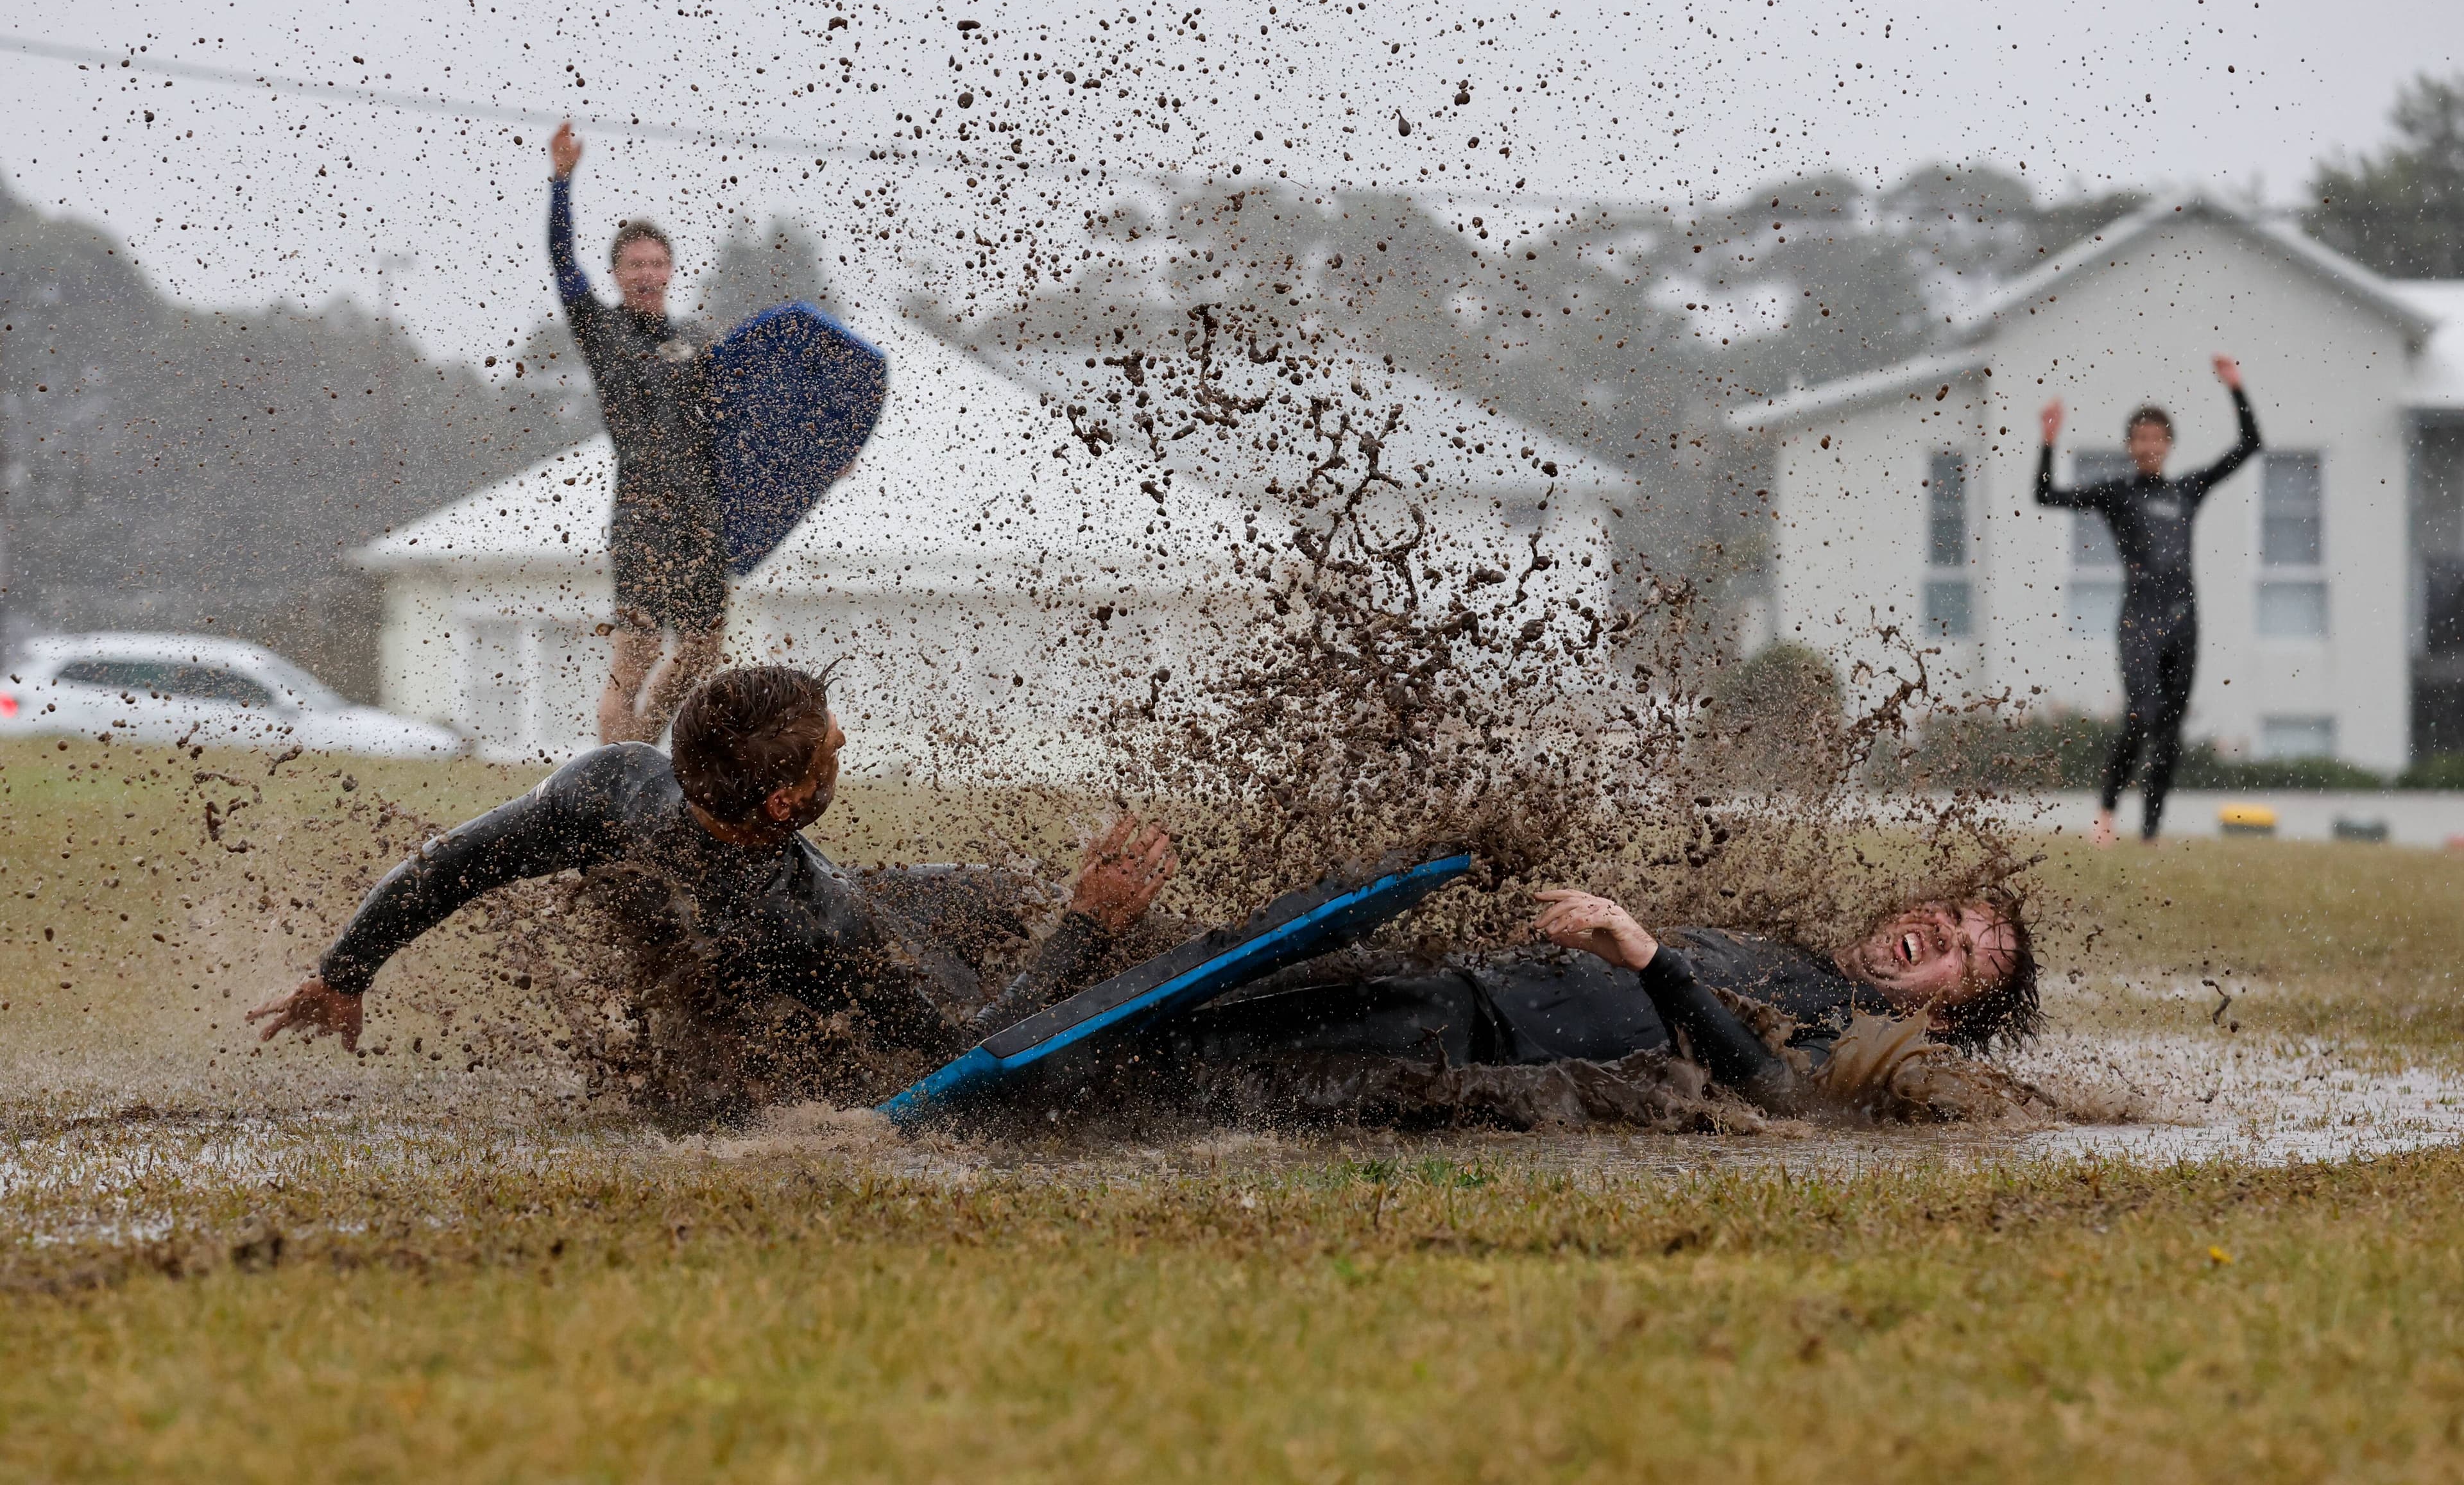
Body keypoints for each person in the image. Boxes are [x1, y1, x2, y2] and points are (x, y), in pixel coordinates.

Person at [246, 666, 1179, 1080]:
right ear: (783, 804)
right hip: (857, 950)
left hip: (851, 894)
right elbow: (962, 1052)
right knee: (1054, 950)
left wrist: (342, 973)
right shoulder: (803, 932)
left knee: (1013, 890)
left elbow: (444, 868)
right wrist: (1088, 931)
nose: (844, 752)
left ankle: (1071, 915)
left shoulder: (613, 781)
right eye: (834, 752)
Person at [1174, 888, 2033, 1117]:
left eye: (1966, 956)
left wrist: (1654, 958)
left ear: (1948, 1015)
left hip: (1466, 1045)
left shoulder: (1858, 1032)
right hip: (1450, 984)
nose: (1944, 931)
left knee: (1188, 1062)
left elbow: (1775, 1092)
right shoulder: (1793, 948)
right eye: (1956, 915)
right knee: (1188, 1011)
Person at [548, 120, 732, 745]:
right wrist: (562, 183)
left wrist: (820, 454)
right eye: (636, 265)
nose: (648, 273)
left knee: (703, 652)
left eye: (657, 263)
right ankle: (613, 783)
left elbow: (745, 419)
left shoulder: (701, 343)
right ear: (620, 274)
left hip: (701, 519)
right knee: (638, 654)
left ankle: (643, 760)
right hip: (642, 517)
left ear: (672, 270)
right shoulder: (604, 332)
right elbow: (564, 265)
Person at [2036, 355, 2262, 845]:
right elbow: (2045, 494)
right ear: (2129, 446)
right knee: (2142, 714)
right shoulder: (2117, 494)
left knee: (2170, 732)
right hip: (2140, 618)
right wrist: (2049, 442)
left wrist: (2236, 388)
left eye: (2157, 438)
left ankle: (2151, 834)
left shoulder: (2188, 489)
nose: (2148, 447)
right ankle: (2106, 812)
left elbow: (2250, 446)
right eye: (2140, 438)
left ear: (2169, 444)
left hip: (2185, 622)